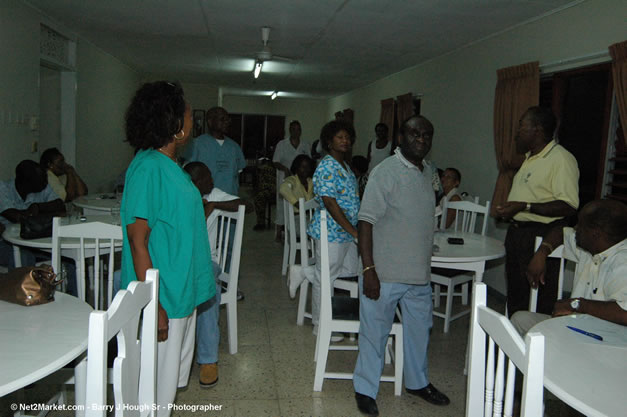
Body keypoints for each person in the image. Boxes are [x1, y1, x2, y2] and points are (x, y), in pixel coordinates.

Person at [121, 81, 214, 417]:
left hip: (180, 290)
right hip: (165, 297)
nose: (193, 121)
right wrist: (154, 304)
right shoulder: (148, 168)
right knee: (154, 389)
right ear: (174, 125)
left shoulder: (168, 164)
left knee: (167, 384)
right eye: (188, 115)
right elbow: (138, 240)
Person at [353, 115, 450, 416]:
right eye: (414, 134)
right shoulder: (385, 172)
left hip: (419, 275)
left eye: (427, 135)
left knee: (421, 331)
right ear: (400, 138)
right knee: (375, 333)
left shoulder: (428, 171)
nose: (421, 140)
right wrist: (369, 270)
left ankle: (417, 383)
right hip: (384, 274)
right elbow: (365, 222)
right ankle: (365, 389)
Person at [495, 106, 579, 317]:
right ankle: (514, 343)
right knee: (516, 294)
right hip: (518, 234)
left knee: (539, 300)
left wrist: (525, 206)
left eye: (522, 127)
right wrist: (511, 211)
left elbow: (568, 206)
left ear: (538, 130)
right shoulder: (529, 158)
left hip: (540, 235)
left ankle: (534, 345)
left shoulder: (561, 159)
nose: (517, 133)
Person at [511, 199, 627, 334]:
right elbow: (560, 232)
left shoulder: (622, 261)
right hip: (574, 325)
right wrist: (542, 253)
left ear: (595, 233)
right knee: (519, 320)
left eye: (581, 225)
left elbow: (624, 313)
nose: (576, 228)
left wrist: (576, 305)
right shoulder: (591, 246)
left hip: (602, 338)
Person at [184, 161, 242, 388]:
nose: (212, 180)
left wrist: (213, 205)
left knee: (208, 283)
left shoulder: (213, 193)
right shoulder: (182, 196)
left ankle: (208, 359)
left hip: (206, 260)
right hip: (180, 259)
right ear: (195, 183)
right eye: (207, 177)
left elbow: (244, 204)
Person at [306, 120, 359, 340]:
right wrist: (354, 231)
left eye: (347, 137)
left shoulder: (346, 166)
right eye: (340, 137)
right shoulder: (327, 165)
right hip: (332, 231)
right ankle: (320, 324)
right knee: (325, 277)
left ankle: (303, 273)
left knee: (348, 272)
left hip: (346, 230)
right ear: (329, 141)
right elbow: (330, 202)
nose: (345, 141)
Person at [0, 160, 66, 268]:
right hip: (6, 242)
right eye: (41, 180)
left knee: (66, 256)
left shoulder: (43, 187)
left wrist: (38, 207)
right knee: (24, 258)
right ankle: (20, 285)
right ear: (25, 183)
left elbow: (60, 206)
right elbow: (15, 216)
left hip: (36, 240)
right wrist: (41, 213)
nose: (45, 182)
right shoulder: (3, 189)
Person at [183, 106, 246, 196]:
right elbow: (188, 175)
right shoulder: (197, 144)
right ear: (210, 122)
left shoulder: (234, 147)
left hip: (230, 201)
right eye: (222, 119)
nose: (227, 122)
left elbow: (236, 177)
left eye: (228, 119)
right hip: (206, 200)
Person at [273, 120, 310, 236]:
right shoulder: (282, 144)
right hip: (285, 178)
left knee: (300, 203)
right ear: (289, 131)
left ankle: (296, 232)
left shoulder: (305, 145)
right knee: (282, 205)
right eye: (293, 129)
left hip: (301, 179)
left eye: (298, 129)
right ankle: (278, 232)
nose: (296, 132)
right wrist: (285, 169)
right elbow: (275, 161)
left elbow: (308, 161)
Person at [253, 157, 277, 231]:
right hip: (271, 189)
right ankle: (260, 222)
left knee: (259, 197)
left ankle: (261, 223)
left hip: (277, 189)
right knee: (259, 197)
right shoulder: (267, 168)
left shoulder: (268, 168)